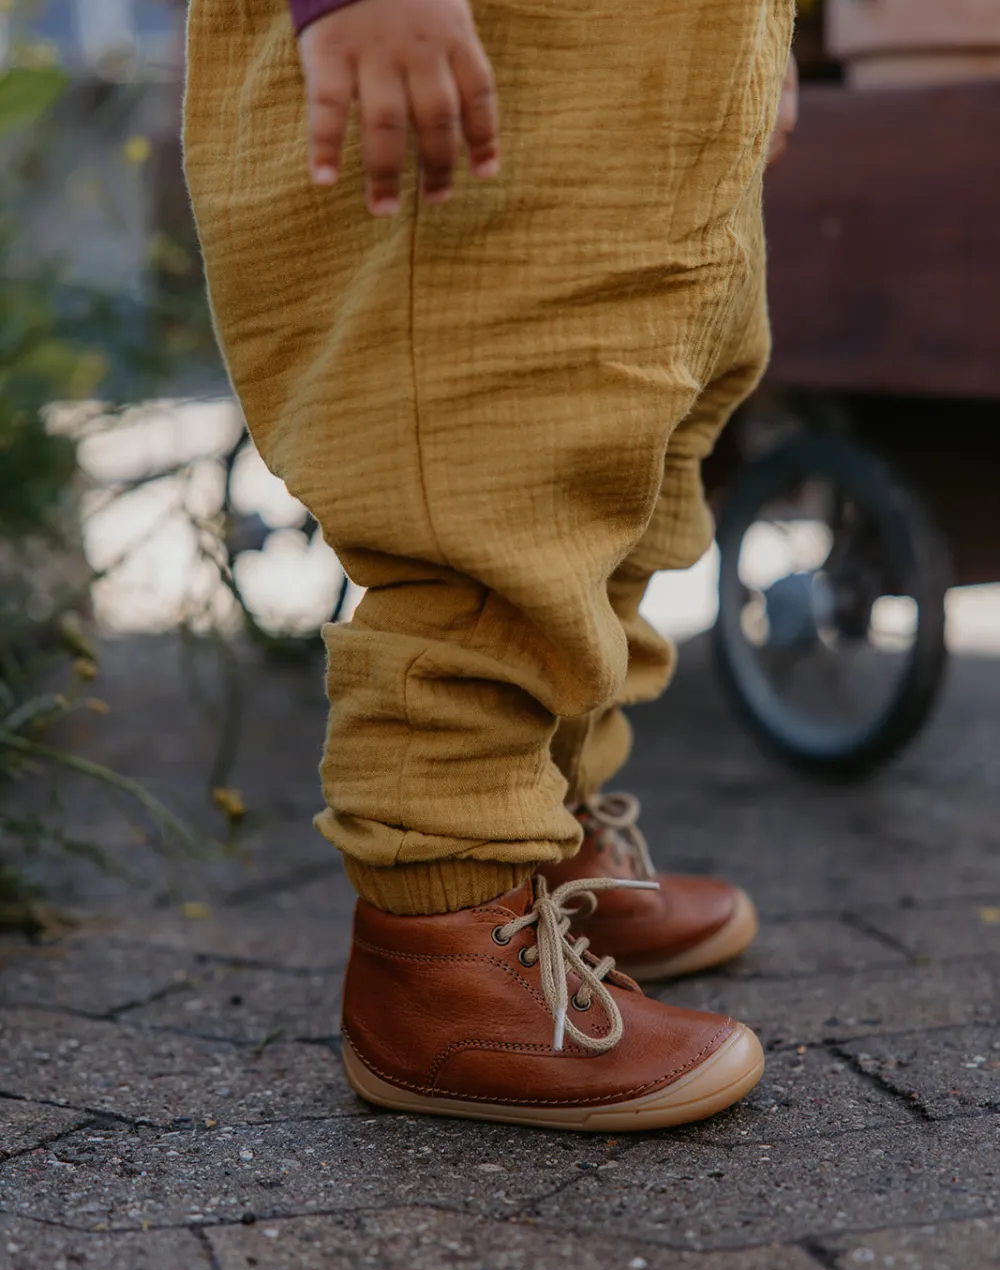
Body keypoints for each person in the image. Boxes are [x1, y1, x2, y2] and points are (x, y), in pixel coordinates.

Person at [183, 0, 796, 1131]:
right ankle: (441, 946)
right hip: (477, 63)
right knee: (482, 490)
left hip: (658, 84)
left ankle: (542, 843)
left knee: (622, 464)